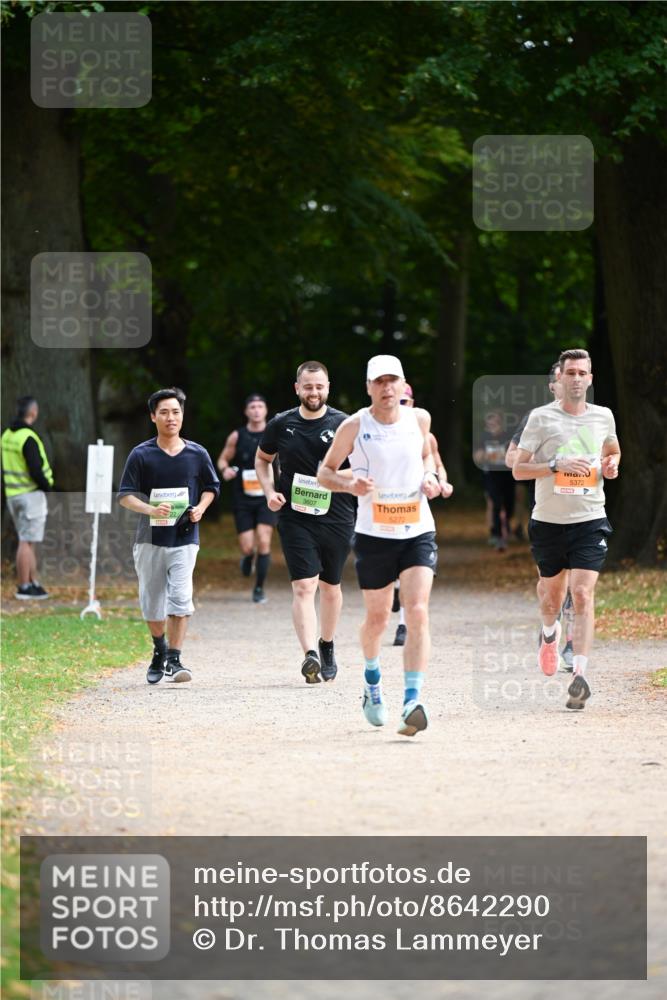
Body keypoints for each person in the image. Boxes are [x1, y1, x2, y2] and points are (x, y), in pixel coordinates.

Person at [318, 355, 453, 737]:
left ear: (403, 384)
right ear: (368, 387)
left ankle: (412, 699)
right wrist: (349, 484)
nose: (387, 387)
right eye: (380, 381)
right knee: (377, 619)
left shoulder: (420, 419)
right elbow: (324, 473)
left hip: (417, 529)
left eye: (393, 380)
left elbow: (427, 456)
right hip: (374, 534)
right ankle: (372, 681)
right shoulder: (354, 426)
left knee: (418, 611)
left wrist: (430, 478)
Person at [512, 349, 620, 710]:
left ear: (590, 379)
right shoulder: (541, 419)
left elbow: (612, 449)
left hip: (590, 518)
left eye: (582, 373)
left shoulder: (603, 416)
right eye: (570, 372)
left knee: (584, 594)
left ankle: (580, 676)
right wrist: (555, 464)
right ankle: (548, 635)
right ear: (559, 379)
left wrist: (612, 463)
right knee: (552, 599)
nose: (576, 378)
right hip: (548, 522)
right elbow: (519, 470)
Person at [255, 361, 355, 684]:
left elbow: (365, 469)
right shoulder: (281, 424)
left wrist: (331, 478)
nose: (314, 392)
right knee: (303, 585)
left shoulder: (344, 424)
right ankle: (309, 653)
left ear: (329, 387)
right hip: (295, 516)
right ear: (297, 388)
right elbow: (263, 458)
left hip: (337, 515)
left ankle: (327, 644)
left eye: (319, 386)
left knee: (330, 586)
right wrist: (269, 490)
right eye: (308, 386)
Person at [118, 387, 220, 685]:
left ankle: (175, 659)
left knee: (180, 597)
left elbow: (212, 487)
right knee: (152, 601)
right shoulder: (141, 454)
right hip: (149, 540)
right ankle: (159, 649)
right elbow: (125, 496)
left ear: (182, 415)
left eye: (176, 412)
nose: (170, 417)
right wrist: (150, 509)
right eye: (164, 412)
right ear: (153, 416)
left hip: (185, 538)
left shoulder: (196, 453)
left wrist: (200, 508)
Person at [506, 362, 575, 668]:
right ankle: (549, 628)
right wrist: (546, 462)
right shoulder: (538, 419)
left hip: (583, 510)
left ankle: (571, 644)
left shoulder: (593, 418)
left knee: (578, 582)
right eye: (563, 379)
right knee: (550, 584)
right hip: (548, 511)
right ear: (552, 386)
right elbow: (512, 459)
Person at [391, 382, 451, 647]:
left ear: (412, 405)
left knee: (411, 572)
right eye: (396, 403)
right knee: (394, 573)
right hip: (385, 512)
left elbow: (437, 464)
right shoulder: (376, 432)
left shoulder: (424, 434)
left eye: (405, 403)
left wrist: (441, 482)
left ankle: (403, 624)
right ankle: (394, 589)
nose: (400, 408)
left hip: (414, 511)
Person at [217, 394, 277, 604]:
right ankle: (247, 556)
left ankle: (259, 588)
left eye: (260, 406)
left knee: (264, 539)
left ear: (266, 410)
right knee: (247, 545)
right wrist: (225, 470)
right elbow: (223, 459)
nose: (256, 410)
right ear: (246, 411)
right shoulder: (237, 436)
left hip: (267, 495)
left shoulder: (274, 432)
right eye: (252, 407)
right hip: (242, 497)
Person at [1, 395, 54, 600]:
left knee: (29, 540)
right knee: (26, 540)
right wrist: (47, 488)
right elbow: (35, 469)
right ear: (33, 412)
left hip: (13, 495)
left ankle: (33, 583)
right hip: (30, 495)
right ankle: (24, 586)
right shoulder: (27, 437)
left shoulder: (6, 435)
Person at [474, 410, 515, 551]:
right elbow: (478, 457)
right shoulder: (483, 437)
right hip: (491, 475)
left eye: (496, 422)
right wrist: (490, 454)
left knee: (510, 504)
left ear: (501, 423)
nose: (493, 425)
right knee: (495, 503)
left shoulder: (509, 437)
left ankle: (506, 523)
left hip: (508, 474)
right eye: (490, 423)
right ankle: (497, 535)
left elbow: (516, 453)